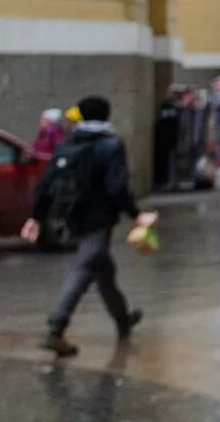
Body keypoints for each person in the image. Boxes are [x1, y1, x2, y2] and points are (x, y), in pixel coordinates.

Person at [22, 96, 156, 357]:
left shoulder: (68, 142)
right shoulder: (111, 144)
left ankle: (122, 318)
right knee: (83, 269)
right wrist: (136, 214)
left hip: (73, 216)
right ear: (107, 115)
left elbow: (47, 182)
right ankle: (55, 329)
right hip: (99, 218)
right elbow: (116, 186)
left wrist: (35, 217)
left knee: (104, 270)